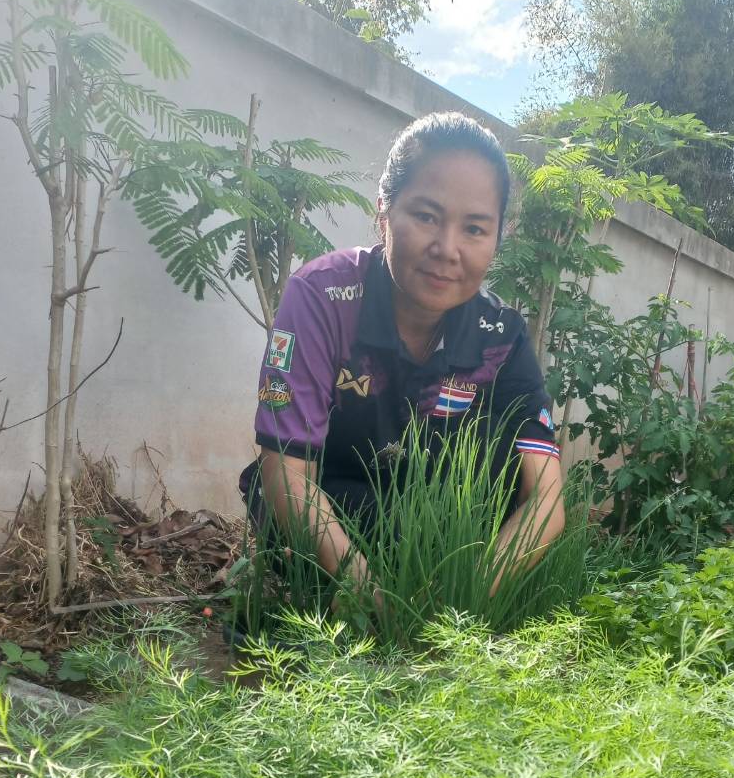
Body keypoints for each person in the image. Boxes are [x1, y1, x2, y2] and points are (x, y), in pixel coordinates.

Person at [242, 111, 565, 603]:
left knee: (503, 459)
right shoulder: (323, 297)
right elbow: (286, 472)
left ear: (499, 236)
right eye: (426, 216)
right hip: (342, 511)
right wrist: (367, 594)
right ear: (384, 212)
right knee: (274, 492)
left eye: (475, 229)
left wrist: (470, 597)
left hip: (446, 534)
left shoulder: (500, 336)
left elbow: (546, 499)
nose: (447, 249)